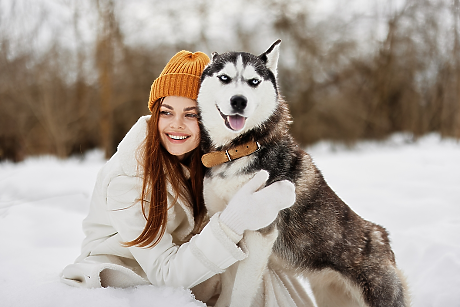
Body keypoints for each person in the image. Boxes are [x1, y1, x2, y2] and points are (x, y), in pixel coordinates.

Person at [61, 50, 300, 304]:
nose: (176, 124)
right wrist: (233, 221)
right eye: (166, 112)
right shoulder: (127, 178)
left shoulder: (209, 158)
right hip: (130, 280)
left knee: (264, 270)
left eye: (191, 114)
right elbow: (166, 273)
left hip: (187, 270)